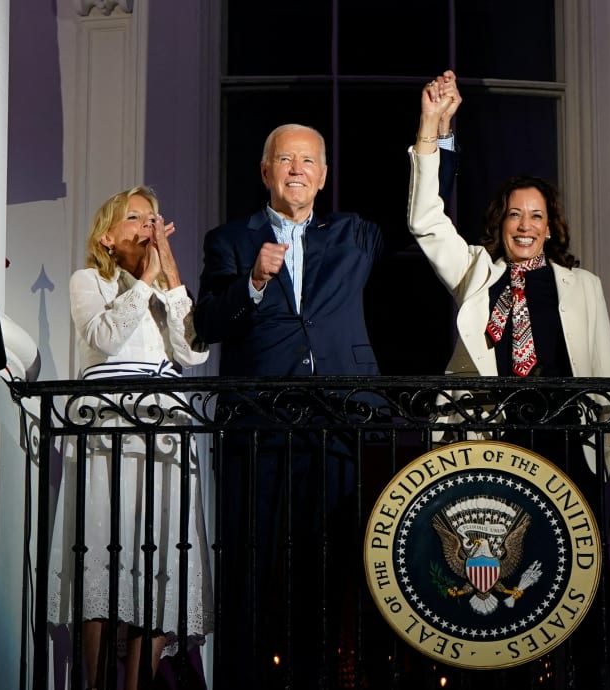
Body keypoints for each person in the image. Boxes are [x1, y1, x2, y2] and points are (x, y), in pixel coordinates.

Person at [193, 72, 461, 688]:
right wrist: (253, 283)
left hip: (341, 422)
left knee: (332, 569)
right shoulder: (231, 240)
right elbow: (207, 322)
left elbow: (427, 213)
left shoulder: (354, 234)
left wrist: (433, 133)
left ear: (324, 174)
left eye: (308, 161)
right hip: (259, 427)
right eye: (284, 159)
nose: (296, 169)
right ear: (265, 172)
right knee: (253, 569)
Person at [407, 80, 610, 479]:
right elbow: (425, 220)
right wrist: (429, 126)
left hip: (567, 440)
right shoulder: (476, 272)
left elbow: (605, 371)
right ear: (501, 222)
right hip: (492, 440)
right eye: (515, 214)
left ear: (549, 228)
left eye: (536, 216)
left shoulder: (583, 285)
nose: (525, 225)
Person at [48, 186, 213, 690]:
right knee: (106, 547)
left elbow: (193, 353)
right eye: (135, 218)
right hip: (110, 434)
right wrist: (144, 281)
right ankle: (95, 682)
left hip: (164, 433)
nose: (148, 225)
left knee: (160, 555)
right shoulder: (89, 281)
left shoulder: (162, 290)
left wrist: (172, 276)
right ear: (106, 236)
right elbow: (103, 337)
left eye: (153, 218)